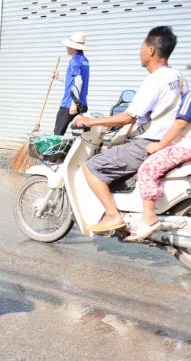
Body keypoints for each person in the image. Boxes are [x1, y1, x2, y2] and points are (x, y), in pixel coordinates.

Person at [73, 26, 185, 232]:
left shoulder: (154, 80)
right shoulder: (177, 76)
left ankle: (112, 215)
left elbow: (127, 117)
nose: (139, 51)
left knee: (91, 167)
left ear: (151, 50)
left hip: (149, 143)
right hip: (172, 141)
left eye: (142, 46)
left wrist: (90, 121)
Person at [126, 91, 191, 241]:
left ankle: (149, 217)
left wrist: (161, 144)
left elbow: (180, 124)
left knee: (147, 169)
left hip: (186, 146)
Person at [52, 32, 90, 135]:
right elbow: (73, 81)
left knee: (57, 135)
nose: (67, 48)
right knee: (78, 135)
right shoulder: (84, 61)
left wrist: (74, 104)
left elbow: (78, 82)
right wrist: (58, 77)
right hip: (82, 104)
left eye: (69, 46)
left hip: (69, 105)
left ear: (74, 47)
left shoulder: (75, 61)